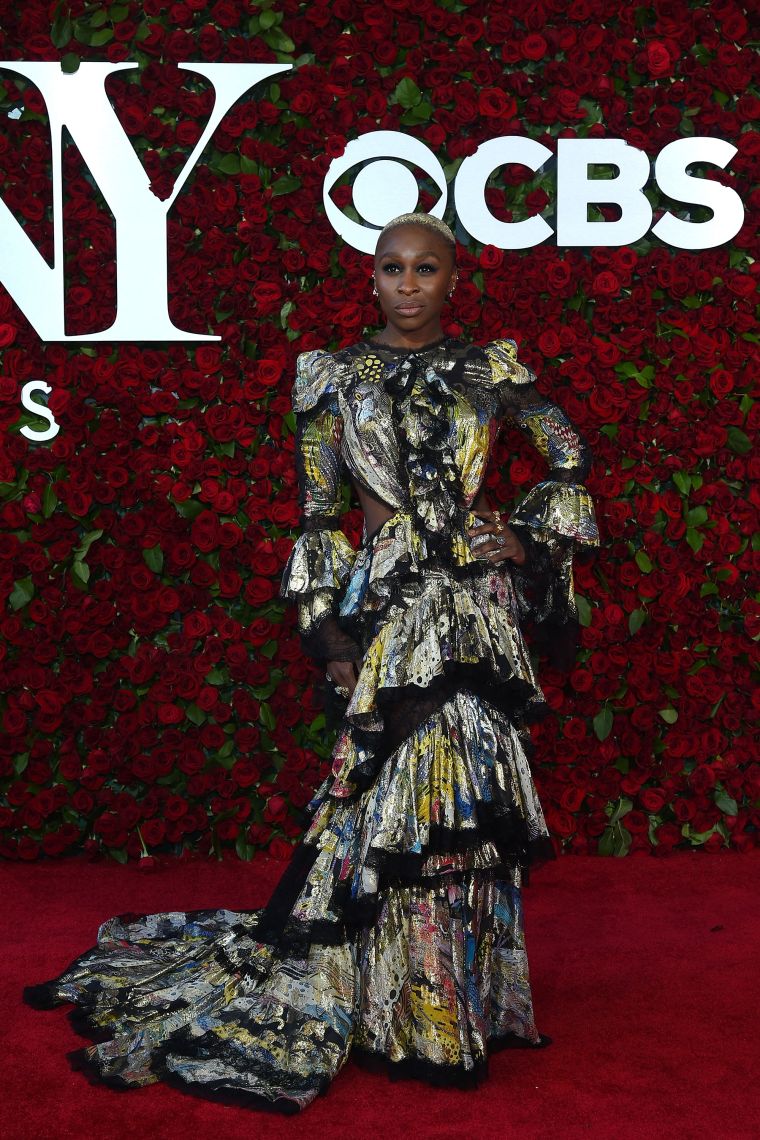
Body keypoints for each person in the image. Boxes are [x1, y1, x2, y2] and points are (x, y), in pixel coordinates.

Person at [24, 212, 598, 1112]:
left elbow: (567, 452)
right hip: (389, 615)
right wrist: (328, 639)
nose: (408, 284)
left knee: (462, 802)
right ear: (372, 279)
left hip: (474, 618)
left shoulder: (492, 370)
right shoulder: (334, 378)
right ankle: (395, 1006)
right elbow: (317, 513)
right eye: (392, 268)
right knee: (392, 797)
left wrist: (519, 538)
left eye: (427, 269)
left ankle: (450, 1003)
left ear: (455, 279)